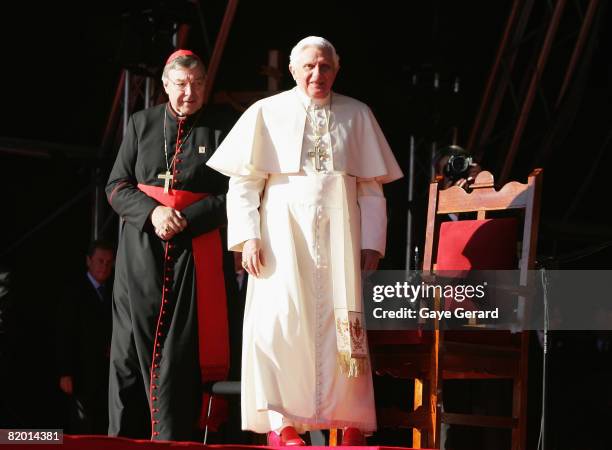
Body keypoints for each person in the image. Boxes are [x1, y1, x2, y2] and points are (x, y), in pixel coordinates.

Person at [207, 36, 403, 445]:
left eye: (326, 67)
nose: (318, 75)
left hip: (341, 236)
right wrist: (248, 237)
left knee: (343, 326)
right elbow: (243, 184)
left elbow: (371, 189)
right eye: (310, 67)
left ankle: (349, 422)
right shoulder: (266, 112)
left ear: (337, 69)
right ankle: (284, 426)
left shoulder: (357, 114)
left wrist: (373, 243)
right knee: (280, 326)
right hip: (282, 234)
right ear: (294, 70)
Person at [105, 49, 229, 441]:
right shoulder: (141, 123)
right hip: (140, 256)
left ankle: (171, 439)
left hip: (192, 258)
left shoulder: (224, 130)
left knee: (179, 357)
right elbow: (116, 186)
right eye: (180, 85)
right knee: (127, 353)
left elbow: (235, 194)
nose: (188, 93)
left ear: (206, 86)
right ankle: (120, 440)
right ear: (165, 86)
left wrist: (185, 219)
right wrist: (154, 213)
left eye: (196, 85)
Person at [56, 240, 114, 434]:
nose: (104, 267)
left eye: (108, 262)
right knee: (81, 427)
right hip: (80, 373)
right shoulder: (74, 291)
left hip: (103, 375)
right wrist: (65, 372)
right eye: (100, 261)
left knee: (100, 427)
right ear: (88, 261)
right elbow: (65, 333)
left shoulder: (112, 292)